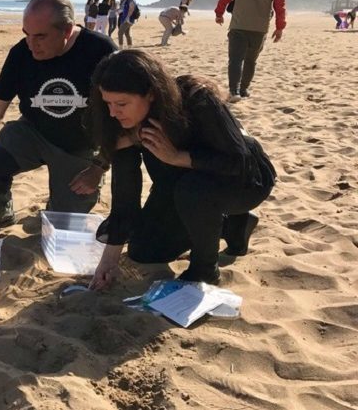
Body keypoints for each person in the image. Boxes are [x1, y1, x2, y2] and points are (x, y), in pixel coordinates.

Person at [87, 50, 276, 288]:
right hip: (178, 186)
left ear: (152, 94)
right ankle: (233, 225)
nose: (114, 112)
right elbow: (126, 197)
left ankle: (204, 268)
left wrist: (177, 157)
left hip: (243, 179)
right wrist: (108, 262)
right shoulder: (120, 124)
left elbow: (237, 161)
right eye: (108, 103)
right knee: (144, 250)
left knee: (192, 191)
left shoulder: (197, 97)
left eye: (122, 104)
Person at [0, 0, 117, 237]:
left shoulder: (100, 51)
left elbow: (123, 119)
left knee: (63, 226)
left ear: (67, 29)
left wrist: (98, 168)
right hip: (33, 132)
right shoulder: (21, 53)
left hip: (81, 145)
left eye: (40, 36)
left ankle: (56, 207)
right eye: (26, 35)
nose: (32, 44)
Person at [215, 0, 286, 103]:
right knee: (250, 60)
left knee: (235, 60)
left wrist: (219, 14)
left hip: (238, 26)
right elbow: (280, 6)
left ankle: (234, 91)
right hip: (259, 29)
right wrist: (279, 27)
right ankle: (244, 89)